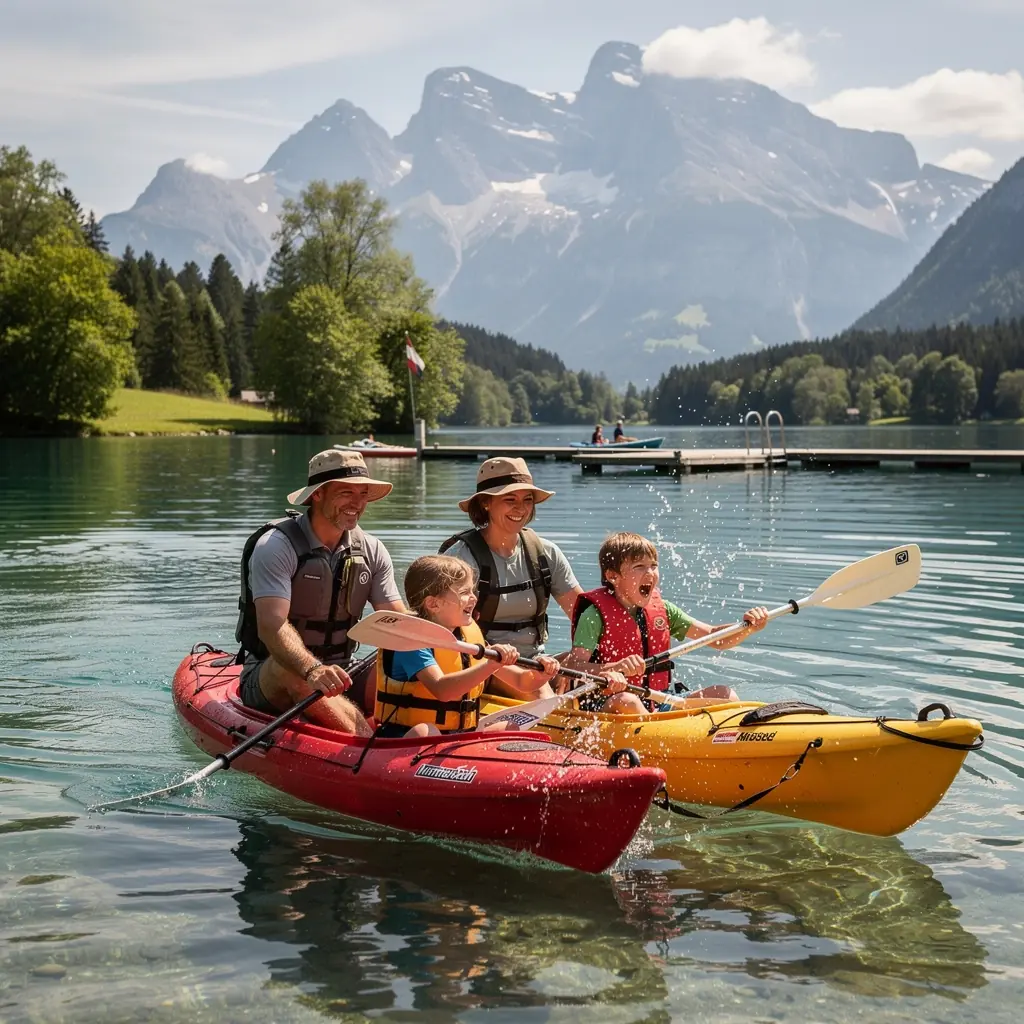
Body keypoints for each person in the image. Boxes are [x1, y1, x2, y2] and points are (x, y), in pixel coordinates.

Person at [235, 449, 406, 736]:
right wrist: (313, 670)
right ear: (317, 495)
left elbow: (397, 622)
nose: (357, 503)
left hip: (345, 670)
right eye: (346, 493)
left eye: (363, 493)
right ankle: (369, 745)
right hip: (272, 674)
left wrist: (448, 636)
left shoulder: (373, 550)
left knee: (399, 658)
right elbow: (271, 626)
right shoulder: (276, 546)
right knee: (292, 671)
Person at [565, 532, 769, 714]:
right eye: (639, 567)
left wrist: (748, 626)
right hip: (611, 702)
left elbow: (716, 638)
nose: (650, 573)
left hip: (659, 699)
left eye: (653, 566)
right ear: (613, 576)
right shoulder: (594, 615)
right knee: (628, 701)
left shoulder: (665, 610)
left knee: (726, 695)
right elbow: (574, 665)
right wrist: (612, 668)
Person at [439, 457, 585, 700]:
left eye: (527, 500)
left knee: (597, 666)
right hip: (483, 663)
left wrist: (582, 661)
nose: (521, 509)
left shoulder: (545, 553)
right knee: (538, 691)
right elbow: (442, 629)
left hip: (537, 661)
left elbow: (583, 618)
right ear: (485, 503)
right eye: (510, 500)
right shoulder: (460, 557)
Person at [375, 555, 562, 737]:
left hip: (458, 735)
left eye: (472, 591)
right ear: (433, 604)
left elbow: (522, 682)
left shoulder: (469, 639)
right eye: (464, 592)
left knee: (509, 728)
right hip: (404, 738)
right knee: (426, 731)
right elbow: (442, 690)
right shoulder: (412, 643)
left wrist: (540, 675)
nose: (474, 598)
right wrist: (490, 665)